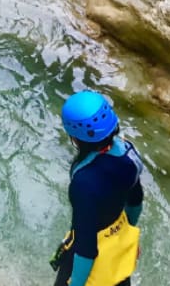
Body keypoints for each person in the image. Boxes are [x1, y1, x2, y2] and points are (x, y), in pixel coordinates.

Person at [51, 91, 145, 286]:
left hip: (90, 263)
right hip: (117, 249)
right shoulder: (129, 153)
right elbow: (135, 201)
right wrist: (128, 239)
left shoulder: (84, 183)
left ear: (75, 137)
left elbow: (86, 248)